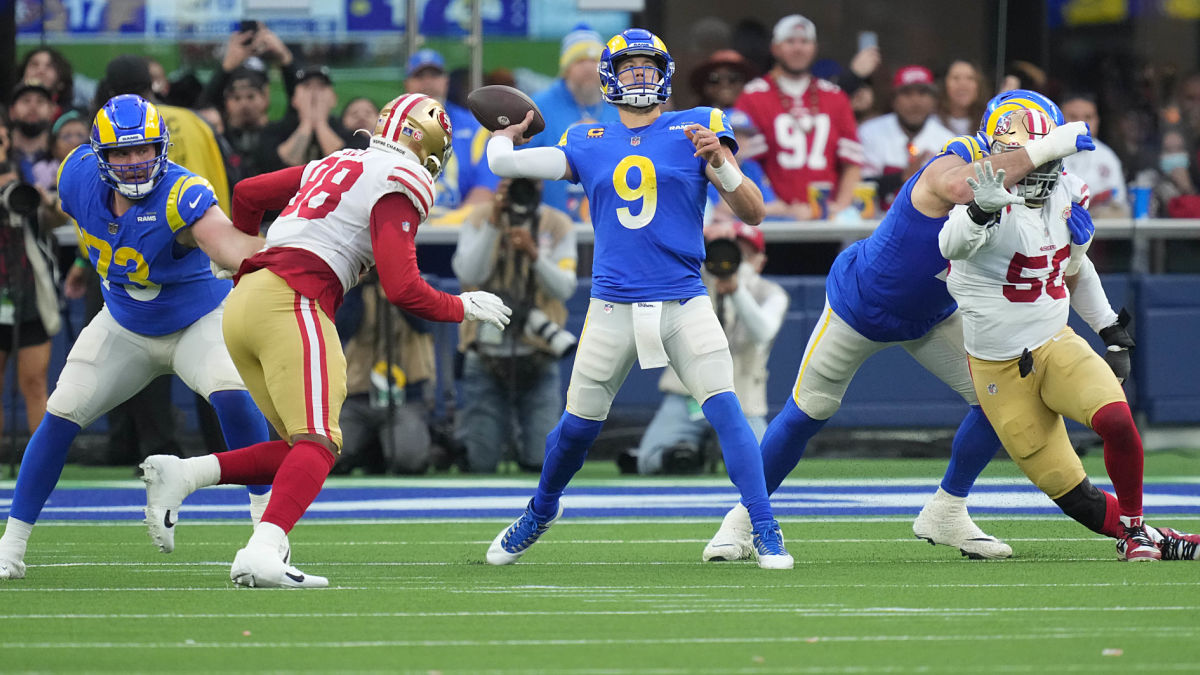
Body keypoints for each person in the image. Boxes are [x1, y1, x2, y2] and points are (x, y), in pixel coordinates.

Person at [702, 89, 1099, 562]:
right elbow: (959, 189)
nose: (1036, 165)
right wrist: (1046, 149)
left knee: (999, 400)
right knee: (809, 410)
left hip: (933, 315)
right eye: (1028, 147)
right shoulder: (959, 160)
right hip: (861, 304)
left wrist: (1079, 252)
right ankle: (742, 520)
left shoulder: (1040, 188)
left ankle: (947, 510)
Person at [139, 92, 512, 588]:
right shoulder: (400, 180)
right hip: (294, 300)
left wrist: (241, 257)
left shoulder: (340, 159)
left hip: (246, 300)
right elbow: (402, 288)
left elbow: (248, 193)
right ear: (427, 148)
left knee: (301, 446)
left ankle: (184, 475)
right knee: (320, 441)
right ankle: (263, 549)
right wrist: (461, 306)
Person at [484, 28, 792, 569]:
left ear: (665, 73)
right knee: (576, 429)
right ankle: (540, 510)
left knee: (728, 411)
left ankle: (764, 526)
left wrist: (718, 159)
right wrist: (508, 131)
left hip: (682, 298)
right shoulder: (586, 137)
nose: (640, 75)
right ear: (609, 77)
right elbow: (504, 166)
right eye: (629, 66)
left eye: (649, 66)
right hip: (613, 305)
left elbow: (753, 211)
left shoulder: (696, 126)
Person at [0, 95, 275, 580]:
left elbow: (228, 246)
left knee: (233, 398)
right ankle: (11, 547)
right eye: (121, 154)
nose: (133, 162)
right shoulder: (76, 177)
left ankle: (268, 535)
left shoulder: (181, 193)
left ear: (161, 148)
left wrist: (290, 254)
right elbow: (94, 226)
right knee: (61, 415)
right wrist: (88, 264)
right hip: (124, 322)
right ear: (99, 156)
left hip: (199, 321)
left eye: (143, 150)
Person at [938, 111, 1200, 561]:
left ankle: (1136, 530)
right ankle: (1156, 536)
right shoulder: (982, 201)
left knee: (1117, 421)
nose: (1041, 173)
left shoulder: (1066, 191)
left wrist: (1110, 331)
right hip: (998, 368)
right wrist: (982, 207)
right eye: (1032, 160)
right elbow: (951, 244)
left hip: (1054, 341)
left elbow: (1075, 270)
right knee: (1076, 496)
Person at [626, 221, 786, 475]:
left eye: (743, 256)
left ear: (759, 262)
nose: (732, 262)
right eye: (729, 253)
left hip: (742, 400)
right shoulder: (692, 280)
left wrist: (736, 291)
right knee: (649, 461)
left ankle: (713, 450)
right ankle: (688, 454)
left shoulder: (771, 293)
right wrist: (694, 241)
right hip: (688, 395)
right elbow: (656, 262)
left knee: (763, 465)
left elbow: (763, 332)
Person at [452, 178, 578, 473]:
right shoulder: (481, 217)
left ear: (540, 187)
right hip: (485, 355)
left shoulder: (557, 224)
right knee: (480, 463)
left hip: (538, 355)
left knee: (541, 461)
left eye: (529, 184)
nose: (523, 192)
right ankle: (467, 438)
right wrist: (493, 225)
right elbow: (469, 272)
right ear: (502, 188)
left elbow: (564, 288)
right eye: (515, 185)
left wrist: (535, 255)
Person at [734, 15, 863, 223]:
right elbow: (744, 163)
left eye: (805, 42)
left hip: (825, 220)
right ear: (774, 48)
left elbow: (852, 163)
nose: (798, 48)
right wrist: (777, 208)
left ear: (815, 48)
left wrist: (841, 206)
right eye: (790, 41)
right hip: (772, 220)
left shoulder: (835, 97)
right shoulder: (753, 97)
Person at [334, 273, 436, 475]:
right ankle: (370, 449)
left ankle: (388, 447)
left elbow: (424, 323)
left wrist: (398, 286)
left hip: (406, 395)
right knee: (329, 458)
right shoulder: (350, 288)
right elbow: (344, 328)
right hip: (359, 396)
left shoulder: (422, 283)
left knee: (410, 461)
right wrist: (357, 286)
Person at [528, 24, 622, 221]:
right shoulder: (539, 106)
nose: (588, 67)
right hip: (554, 227)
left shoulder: (620, 104)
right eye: (579, 61)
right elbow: (523, 162)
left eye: (594, 60)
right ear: (566, 68)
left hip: (613, 221)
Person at [404, 49, 498, 212]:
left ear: (446, 81)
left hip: (460, 229)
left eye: (434, 75)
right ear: (407, 84)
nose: (428, 83)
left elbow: (486, 188)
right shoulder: (390, 128)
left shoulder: (475, 127)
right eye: (419, 76)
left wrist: (451, 224)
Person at [858, 66, 955, 210]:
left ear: (934, 101)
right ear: (894, 100)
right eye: (907, 93)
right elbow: (859, 187)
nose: (915, 101)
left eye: (922, 93)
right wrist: (902, 177)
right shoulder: (870, 132)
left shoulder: (948, 140)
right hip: (874, 224)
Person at [258, 65, 355, 173]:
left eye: (321, 87)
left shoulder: (348, 130)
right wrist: (306, 123)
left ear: (334, 99)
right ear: (294, 99)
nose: (314, 93)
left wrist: (320, 124)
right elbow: (279, 166)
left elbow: (347, 168)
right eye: (307, 86)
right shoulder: (274, 130)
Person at [1060, 93, 1130, 218]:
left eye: (1087, 117)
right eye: (1073, 117)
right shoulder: (1047, 153)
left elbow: (1119, 201)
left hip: (1098, 231)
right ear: (1060, 119)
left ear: (1097, 121)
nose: (1081, 123)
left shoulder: (1108, 156)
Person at [939, 60, 987, 136]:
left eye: (970, 78)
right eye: (956, 78)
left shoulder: (989, 122)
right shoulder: (932, 121)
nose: (963, 84)